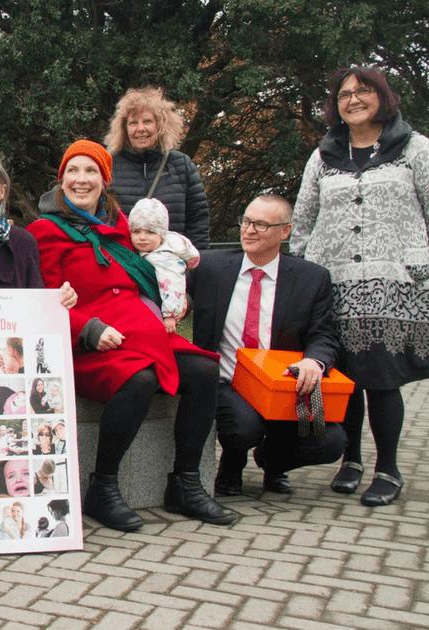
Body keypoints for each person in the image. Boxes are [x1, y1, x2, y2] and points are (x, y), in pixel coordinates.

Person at [28, 139, 236, 531]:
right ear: (61, 179)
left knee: (204, 371)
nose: (81, 179)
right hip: (92, 342)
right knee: (138, 378)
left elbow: (152, 270)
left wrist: (172, 301)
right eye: (73, 170)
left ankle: (186, 484)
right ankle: (103, 487)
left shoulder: (122, 224)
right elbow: (44, 299)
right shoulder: (45, 230)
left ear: (104, 180)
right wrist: (87, 328)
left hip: (143, 331)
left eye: (91, 171)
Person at [291, 66, 429, 507]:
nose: (353, 99)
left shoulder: (414, 149)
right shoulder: (324, 155)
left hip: (394, 284)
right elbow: (303, 218)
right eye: (345, 94)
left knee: (382, 379)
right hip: (335, 286)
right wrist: (306, 268)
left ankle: (387, 468)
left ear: (382, 97)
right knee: (344, 375)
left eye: (363, 91)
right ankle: (350, 459)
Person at [191, 195, 346, 497]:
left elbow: (324, 335)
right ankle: (231, 463)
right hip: (228, 382)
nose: (249, 230)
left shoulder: (312, 278)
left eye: (261, 225)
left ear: (284, 231)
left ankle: (272, 461)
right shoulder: (208, 266)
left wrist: (315, 361)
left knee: (332, 441)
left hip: (284, 386)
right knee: (241, 428)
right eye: (246, 221)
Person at [104, 87, 210, 250]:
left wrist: (195, 267)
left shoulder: (181, 165)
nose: (140, 128)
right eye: (133, 122)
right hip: (124, 265)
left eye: (147, 121)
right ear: (124, 128)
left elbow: (198, 221)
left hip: (172, 267)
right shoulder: (108, 165)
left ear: (160, 125)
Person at [128, 198, 201, 334]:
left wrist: (170, 315)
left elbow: (174, 285)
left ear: (161, 235)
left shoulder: (166, 258)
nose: (142, 237)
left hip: (166, 310)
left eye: (150, 232)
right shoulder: (148, 251)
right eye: (137, 231)